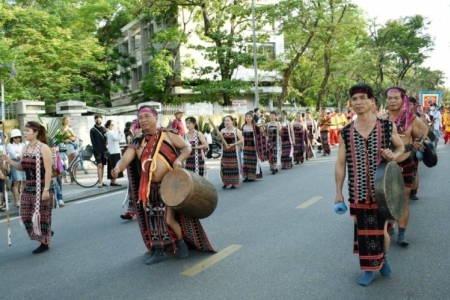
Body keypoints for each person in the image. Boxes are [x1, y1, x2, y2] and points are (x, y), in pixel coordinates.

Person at [112, 106, 214, 264]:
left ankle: (181, 243)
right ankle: (158, 250)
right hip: (148, 188)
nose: (144, 120)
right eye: (141, 118)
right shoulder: (137, 143)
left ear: (155, 117)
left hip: (170, 186)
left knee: (168, 219)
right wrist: (117, 168)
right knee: (152, 219)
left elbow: (186, 147)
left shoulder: (168, 134)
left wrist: (179, 160)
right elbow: (125, 160)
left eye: (147, 116)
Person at [335, 83, 405, 286]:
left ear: (372, 100)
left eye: (363, 97)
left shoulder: (385, 126)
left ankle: (382, 258)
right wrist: (338, 193)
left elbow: (400, 146)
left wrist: (394, 154)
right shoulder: (346, 132)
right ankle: (368, 268)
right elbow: (340, 164)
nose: (358, 102)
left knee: (381, 231)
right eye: (354, 99)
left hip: (383, 191)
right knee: (363, 232)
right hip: (357, 191)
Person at [380, 86, 428, 246]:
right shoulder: (379, 119)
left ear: (403, 100)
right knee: (383, 199)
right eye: (390, 98)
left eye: (396, 98)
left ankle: (401, 234)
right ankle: (387, 225)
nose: (392, 101)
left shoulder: (412, 119)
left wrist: (418, 142)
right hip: (383, 166)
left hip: (405, 163)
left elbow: (424, 131)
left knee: (403, 199)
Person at [4, 121, 54, 254]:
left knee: (41, 217)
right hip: (29, 185)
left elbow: (48, 170)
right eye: (24, 130)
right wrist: (9, 161)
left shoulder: (44, 148)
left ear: (36, 133)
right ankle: (46, 232)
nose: (24, 133)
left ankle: (45, 242)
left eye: (27, 131)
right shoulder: (25, 148)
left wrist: (46, 189)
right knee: (25, 215)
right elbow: (22, 167)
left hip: (43, 184)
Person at [120, 119, 141, 220]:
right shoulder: (133, 139)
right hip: (134, 168)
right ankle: (131, 212)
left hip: (145, 170)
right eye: (133, 127)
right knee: (133, 190)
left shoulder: (145, 139)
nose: (134, 129)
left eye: (136, 127)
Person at [216, 115, 243, 189]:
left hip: (233, 151)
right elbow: (219, 139)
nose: (226, 122)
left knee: (233, 166)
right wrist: (218, 137)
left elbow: (241, 140)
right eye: (225, 121)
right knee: (224, 166)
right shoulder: (222, 130)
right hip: (225, 152)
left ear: (232, 121)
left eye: (228, 120)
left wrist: (233, 144)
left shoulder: (236, 130)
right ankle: (226, 182)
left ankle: (234, 183)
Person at [241, 112, 266, 181]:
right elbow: (242, 136)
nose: (248, 118)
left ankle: (252, 176)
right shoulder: (243, 126)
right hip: (245, 146)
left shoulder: (255, 126)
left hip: (253, 146)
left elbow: (261, 135)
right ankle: (246, 176)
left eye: (249, 117)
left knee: (253, 161)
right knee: (246, 161)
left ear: (252, 118)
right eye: (247, 117)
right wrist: (241, 145)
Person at [7, 129, 26, 207]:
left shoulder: (23, 144)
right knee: (17, 182)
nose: (17, 139)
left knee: (24, 181)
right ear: (12, 138)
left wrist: (20, 154)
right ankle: (16, 200)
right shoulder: (9, 145)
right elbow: (14, 155)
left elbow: (25, 153)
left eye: (18, 137)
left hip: (24, 163)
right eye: (15, 137)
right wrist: (19, 155)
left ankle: (24, 198)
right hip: (15, 163)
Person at [90, 115, 108, 188]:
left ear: (102, 120)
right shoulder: (93, 130)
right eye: (97, 119)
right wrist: (96, 151)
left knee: (103, 165)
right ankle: (100, 182)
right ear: (94, 120)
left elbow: (107, 139)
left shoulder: (104, 129)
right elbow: (93, 142)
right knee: (99, 165)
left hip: (105, 150)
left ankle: (102, 180)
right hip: (97, 150)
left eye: (100, 119)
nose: (98, 120)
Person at [104, 120, 123, 186]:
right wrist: (119, 131)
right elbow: (117, 138)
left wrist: (118, 133)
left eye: (113, 124)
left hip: (112, 151)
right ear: (108, 126)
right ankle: (114, 181)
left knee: (112, 166)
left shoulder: (109, 133)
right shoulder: (110, 132)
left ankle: (113, 181)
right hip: (114, 151)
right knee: (115, 166)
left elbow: (118, 138)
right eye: (112, 125)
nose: (113, 126)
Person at [61, 117, 78, 183]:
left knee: (76, 163)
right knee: (72, 162)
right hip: (68, 146)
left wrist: (72, 138)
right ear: (63, 121)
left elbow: (75, 137)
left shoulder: (70, 128)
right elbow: (60, 138)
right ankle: (72, 179)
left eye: (69, 120)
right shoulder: (63, 129)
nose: (68, 121)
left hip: (73, 145)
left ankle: (74, 177)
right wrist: (67, 140)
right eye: (66, 120)